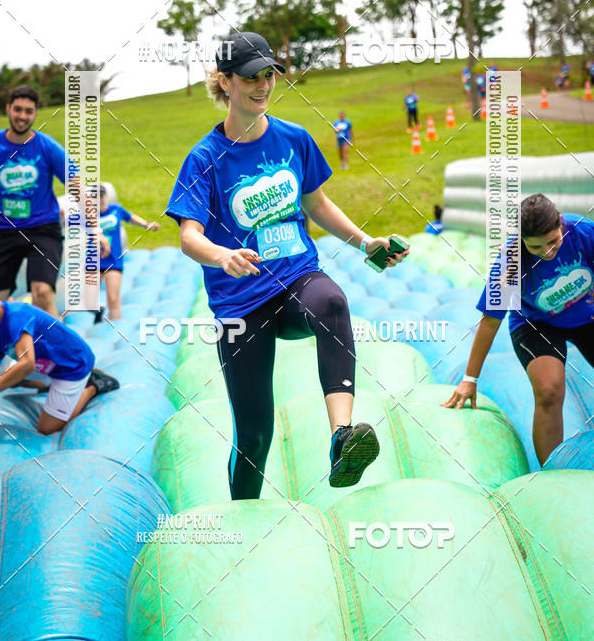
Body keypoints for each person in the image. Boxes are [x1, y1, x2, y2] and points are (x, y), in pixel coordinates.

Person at [166, 31, 409, 500]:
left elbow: (317, 205)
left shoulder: (294, 139)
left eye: (269, 74)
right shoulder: (205, 158)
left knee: (333, 301)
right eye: (251, 77)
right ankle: (243, 518)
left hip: (297, 279)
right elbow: (188, 237)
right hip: (241, 302)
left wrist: (366, 243)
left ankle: (342, 438)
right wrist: (223, 255)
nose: (262, 85)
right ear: (225, 82)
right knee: (255, 434)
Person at [443, 194, 594, 466]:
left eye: (553, 241)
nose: (547, 251)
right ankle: (555, 473)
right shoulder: (510, 263)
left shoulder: (583, 232)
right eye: (536, 247)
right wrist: (470, 378)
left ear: (561, 224)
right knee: (549, 389)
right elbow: (490, 322)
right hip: (536, 325)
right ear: (522, 240)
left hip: (585, 315)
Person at [0, 85, 107, 316]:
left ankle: (57, 350)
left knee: (42, 293)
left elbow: (77, 189)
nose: (22, 116)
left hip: (42, 229)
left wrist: (96, 229)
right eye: (18, 110)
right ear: (8, 109)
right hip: (5, 230)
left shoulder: (47, 147)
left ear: (36, 113)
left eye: (28, 111)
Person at [0, 296, 119, 434]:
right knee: (9, 376)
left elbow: (27, 363)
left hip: (72, 365)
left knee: (46, 428)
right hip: (46, 362)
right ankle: (49, 385)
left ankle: (92, 385)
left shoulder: (16, 315)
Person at [90, 185, 160, 320]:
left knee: (113, 299)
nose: (99, 200)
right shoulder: (88, 215)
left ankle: (116, 329)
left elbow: (131, 217)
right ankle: (98, 311)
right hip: (93, 260)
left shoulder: (116, 210)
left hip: (113, 260)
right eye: (95, 197)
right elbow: (70, 222)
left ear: (105, 196)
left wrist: (146, 224)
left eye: (100, 196)